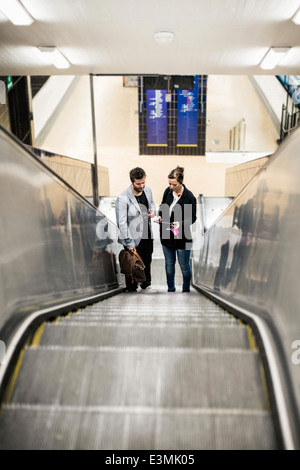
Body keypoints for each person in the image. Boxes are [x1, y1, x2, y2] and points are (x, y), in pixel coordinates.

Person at [115, 167, 156, 293]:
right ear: (132, 182)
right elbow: (121, 223)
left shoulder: (147, 191)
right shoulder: (123, 198)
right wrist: (129, 242)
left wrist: (153, 212)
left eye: (143, 182)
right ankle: (132, 286)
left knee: (147, 260)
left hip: (146, 234)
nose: (142, 185)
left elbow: (153, 204)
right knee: (132, 263)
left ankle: (146, 284)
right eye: (138, 183)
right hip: (131, 236)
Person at [156, 166, 197, 292]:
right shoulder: (167, 192)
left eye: (174, 184)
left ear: (181, 182)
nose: (171, 187)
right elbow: (163, 207)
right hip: (167, 235)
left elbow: (193, 218)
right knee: (169, 265)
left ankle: (185, 289)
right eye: (169, 184)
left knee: (184, 266)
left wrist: (181, 223)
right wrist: (159, 217)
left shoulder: (190, 197)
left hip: (183, 237)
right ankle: (171, 289)